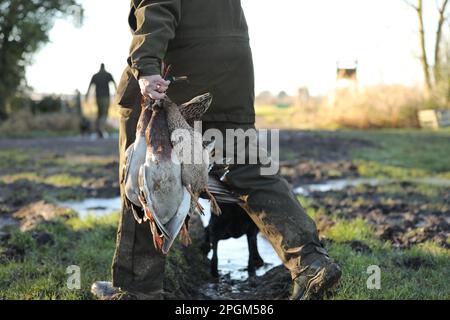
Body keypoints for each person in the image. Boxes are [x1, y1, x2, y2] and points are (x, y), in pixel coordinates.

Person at [92, 0, 341, 300]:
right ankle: (310, 262)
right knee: (248, 171)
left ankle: (139, 288)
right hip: (230, 73)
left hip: (176, 74)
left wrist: (145, 65)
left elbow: (158, 6)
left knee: (144, 174)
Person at [86, 63, 117, 138]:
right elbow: (114, 84)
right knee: (104, 113)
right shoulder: (108, 75)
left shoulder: (95, 76)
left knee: (99, 113)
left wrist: (87, 95)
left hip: (98, 97)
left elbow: (90, 86)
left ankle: (99, 130)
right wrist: (118, 93)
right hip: (106, 96)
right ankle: (101, 130)